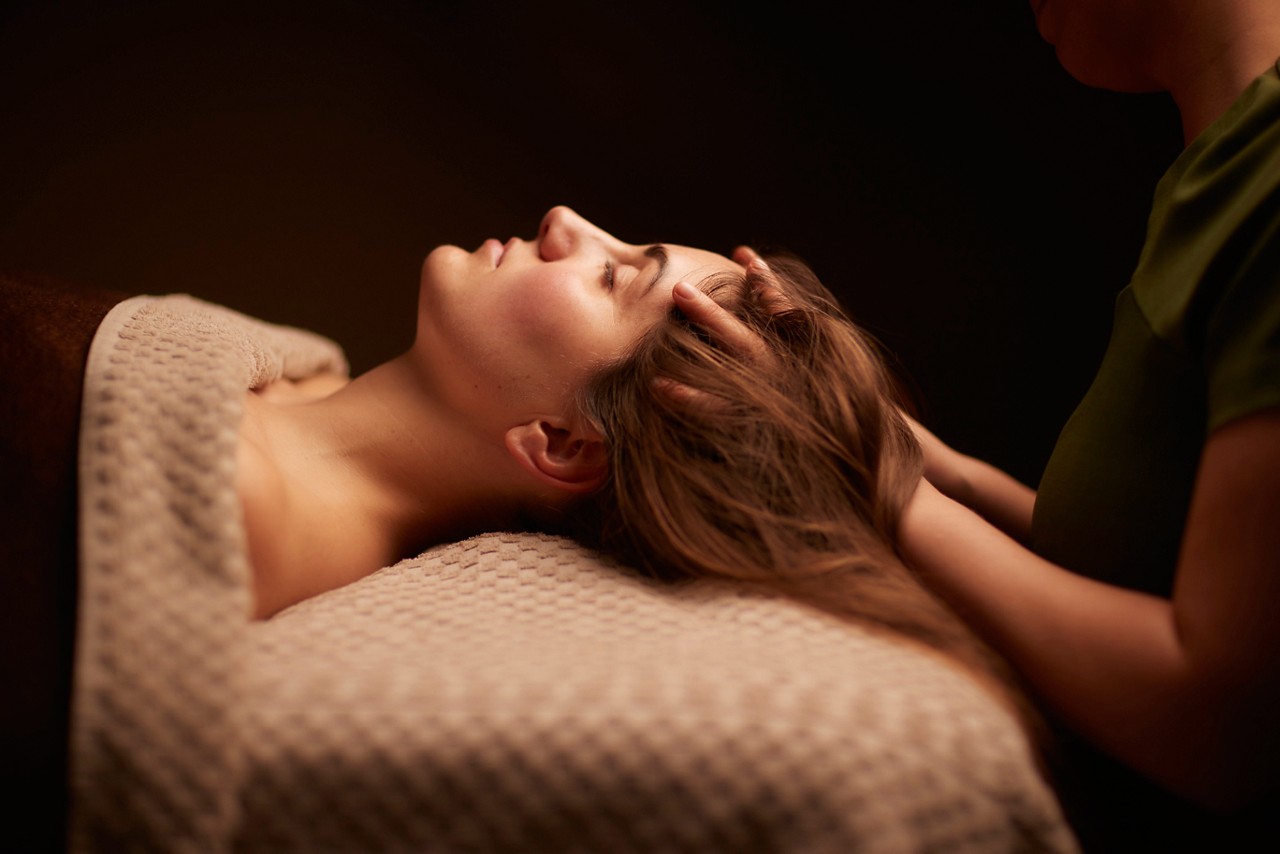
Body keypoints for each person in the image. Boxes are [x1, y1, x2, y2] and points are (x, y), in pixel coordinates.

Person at [236, 206, 1024, 722]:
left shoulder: (240, 504)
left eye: (612, 276)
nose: (563, 221)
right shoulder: (297, 380)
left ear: (563, 442)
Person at [879, 0, 1280, 847]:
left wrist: (888, 491)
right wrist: (948, 474)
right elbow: (1169, 567)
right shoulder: (1222, 164)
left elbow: (1221, 732)